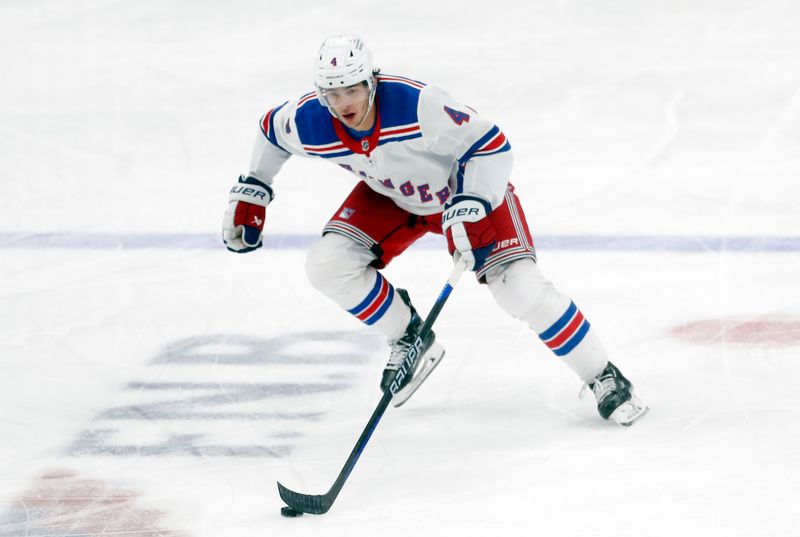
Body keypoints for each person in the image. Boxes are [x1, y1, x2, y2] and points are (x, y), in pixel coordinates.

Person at [222, 34, 648, 425]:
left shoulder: (416, 104)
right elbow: (270, 131)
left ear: (371, 82)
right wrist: (256, 185)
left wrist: (474, 202)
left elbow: (492, 145)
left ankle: (603, 375)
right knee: (327, 265)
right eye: (332, 93)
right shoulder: (311, 120)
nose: (344, 102)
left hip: (462, 193)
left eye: (352, 89)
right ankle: (409, 337)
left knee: (518, 288)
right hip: (391, 197)